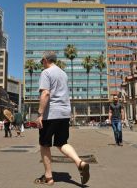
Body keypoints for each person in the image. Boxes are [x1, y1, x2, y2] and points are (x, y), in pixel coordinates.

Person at [34, 51, 89, 186]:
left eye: (42, 61)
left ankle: (49, 178)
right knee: (61, 142)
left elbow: (46, 93)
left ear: (46, 60)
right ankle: (79, 162)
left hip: (50, 114)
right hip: (64, 113)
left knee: (44, 144)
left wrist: (40, 113)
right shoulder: (63, 73)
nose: (42, 63)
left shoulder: (46, 73)